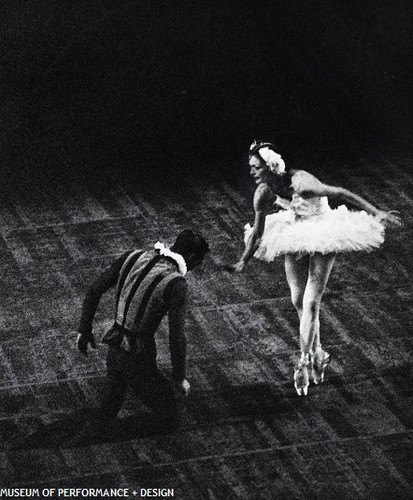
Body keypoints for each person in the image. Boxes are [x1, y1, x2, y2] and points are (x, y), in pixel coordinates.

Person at [229, 140, 401, 396]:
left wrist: (377, 212)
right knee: (298, 300)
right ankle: (319, 353)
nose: (252, 172)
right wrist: (244, 259)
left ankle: (303, 362)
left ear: (271, 166)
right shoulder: (263, 192)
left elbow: (341, 192)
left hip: (322, 230)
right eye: (251, 167)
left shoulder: (302, 183)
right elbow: (257, 232)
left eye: (256, 168)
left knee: (311, 302)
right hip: (295, 230)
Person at [71, 229, 209, 443]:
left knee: (107, 411)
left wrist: (84, 328)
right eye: (197, 263)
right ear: (191, 258)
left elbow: (94, 290)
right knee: (171, 416)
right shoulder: (176, 284)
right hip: (137, 357)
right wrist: (179, 377)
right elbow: (177, 336)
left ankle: (79, 437)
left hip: (115, 347)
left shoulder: (133, 256)